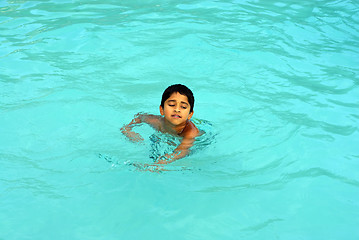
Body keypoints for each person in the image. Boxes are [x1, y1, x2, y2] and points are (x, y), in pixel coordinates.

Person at [121, 84, 199, 165]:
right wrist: (128, 130)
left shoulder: (190, 132)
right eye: (172, 105)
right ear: (162, 110)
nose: (177, 109)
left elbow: (183, 151)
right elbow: (140, 116)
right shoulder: (157, 122)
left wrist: (161, 162)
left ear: (190, 114)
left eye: (183, 107)